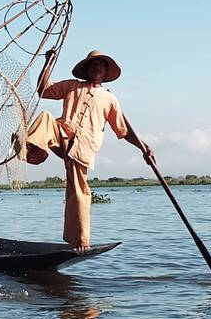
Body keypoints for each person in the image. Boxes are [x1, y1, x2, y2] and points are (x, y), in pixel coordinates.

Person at [28, 51, 153, 250]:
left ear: (105, 72)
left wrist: (143, 147)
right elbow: (43, 90)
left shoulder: (109, 99)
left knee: (78, 191)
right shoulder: (72, 86)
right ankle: (34, 151)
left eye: (101, 66)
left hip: (83, 148)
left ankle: (80, 241)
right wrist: (48, 63)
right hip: (62, 135)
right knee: (45, 117)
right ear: (87, 69)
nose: (97, 68)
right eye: (93, 65)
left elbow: (123, 130)